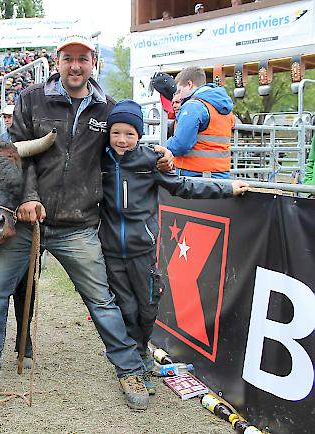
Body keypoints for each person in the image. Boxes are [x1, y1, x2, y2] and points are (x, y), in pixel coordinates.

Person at [0, 33, 173, 410]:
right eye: (68, 58)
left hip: (80, 222)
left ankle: (128, 369)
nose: (76, 65)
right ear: (57, 60)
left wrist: (162, 156)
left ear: (93, 64)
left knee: (101, 301)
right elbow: (15, 156)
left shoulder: (108, 109)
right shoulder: (31, 99)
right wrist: (28, 198)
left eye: (83, 59)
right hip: (28, 223)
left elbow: (128, 146)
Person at [100, 100, 249, 394]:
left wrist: (226, 187)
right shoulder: (99, 160)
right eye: (116, 133)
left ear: (139, 135)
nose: (122, 140)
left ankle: (141, 353)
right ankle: (134, 365)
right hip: (111, 251)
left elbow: (183, 186)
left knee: (147, 306)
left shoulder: (149, 160)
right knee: (125, 308)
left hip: (142, 250)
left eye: (129, 134)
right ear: (108, 133)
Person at [167, 67, 235, 179]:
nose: (179, 95)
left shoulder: (193, 106)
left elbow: (180, 145)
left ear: (189, 84)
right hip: (221, 175)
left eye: (179, 90)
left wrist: (162, 146)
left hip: (196, 177)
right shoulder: (224, 108)